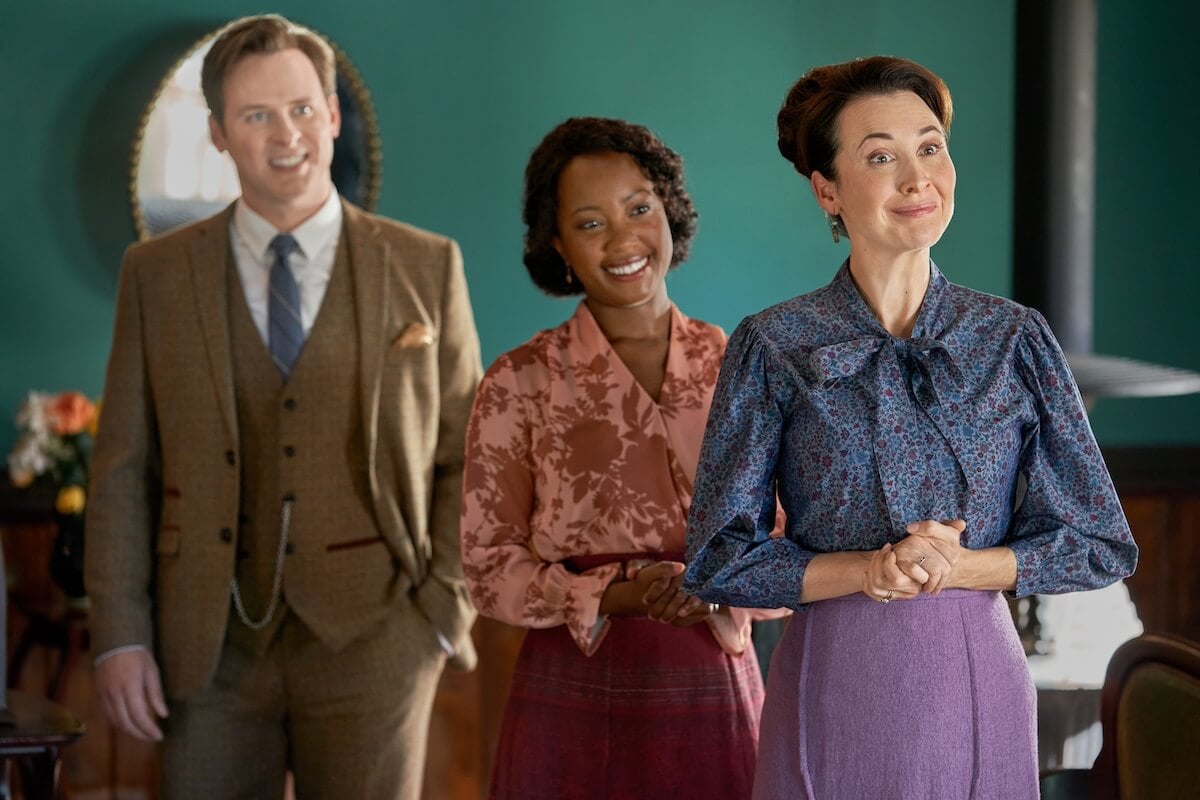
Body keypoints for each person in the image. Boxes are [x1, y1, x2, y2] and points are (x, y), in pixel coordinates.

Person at [683, 56, 1138, 799]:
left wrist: (959, 567)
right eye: (881, 156)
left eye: (930, 147)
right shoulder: (773, 343)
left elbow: (1097, 544)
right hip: (831, 673)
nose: (917, 177)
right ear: (826, 189)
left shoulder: (1014, 337)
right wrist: (869, 571)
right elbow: (716, 559)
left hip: (979, 672)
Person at [84, 14, 481, 799]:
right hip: (207, 647)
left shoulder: (426, 265)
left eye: (302, 108)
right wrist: (120, 637)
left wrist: (442, 610)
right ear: (219, 133)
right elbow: (124, 469)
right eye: (256, 114)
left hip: (380, 638)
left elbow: (467, 456)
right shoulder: (155, 275)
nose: (286, 134)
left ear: (333, 115)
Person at [460, 117, 785, 800]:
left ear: (670, 209)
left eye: (639, 208)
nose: (623, 239)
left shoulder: (741, 367)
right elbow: (489, 569)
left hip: (711, 677)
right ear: (558, 245)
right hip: (569, 684)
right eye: (589, 222)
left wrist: (715, 583)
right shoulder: (519, 380)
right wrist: (618, 595)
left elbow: (786, 539)